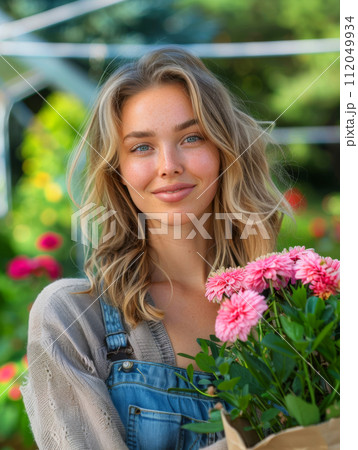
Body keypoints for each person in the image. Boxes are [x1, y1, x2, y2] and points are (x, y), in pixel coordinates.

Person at [21, 47, 289, 449]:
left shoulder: (289, 308)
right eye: (141, 147)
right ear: (118, 171)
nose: (169, 165)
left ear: (224, 153)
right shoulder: (74, 319)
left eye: (192, 137)